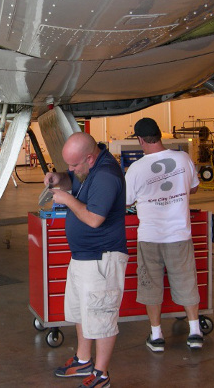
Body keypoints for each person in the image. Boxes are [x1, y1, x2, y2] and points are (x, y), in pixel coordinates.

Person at [44, 132, 128, 388]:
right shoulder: (90, 168)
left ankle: (102, 375)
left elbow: (93, 219)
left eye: (73, 165)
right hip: (83, 257)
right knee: (83, 311)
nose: (70, 169)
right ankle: (83, 360)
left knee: (101, 317)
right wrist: (61, 178)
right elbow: (76, 179)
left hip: (101, 260)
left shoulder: (106, 176)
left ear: (89, 159)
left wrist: (67, 200)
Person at [124, 117, 202, 352]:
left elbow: (125, 201)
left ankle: (157, 336)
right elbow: (194, 186)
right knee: (187, 280)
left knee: (151, 285)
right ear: (159, 135)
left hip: (150, 236)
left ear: (140, 139)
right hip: (179, 234)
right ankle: (195, 332)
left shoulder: (137, 168)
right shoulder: (182, 158)